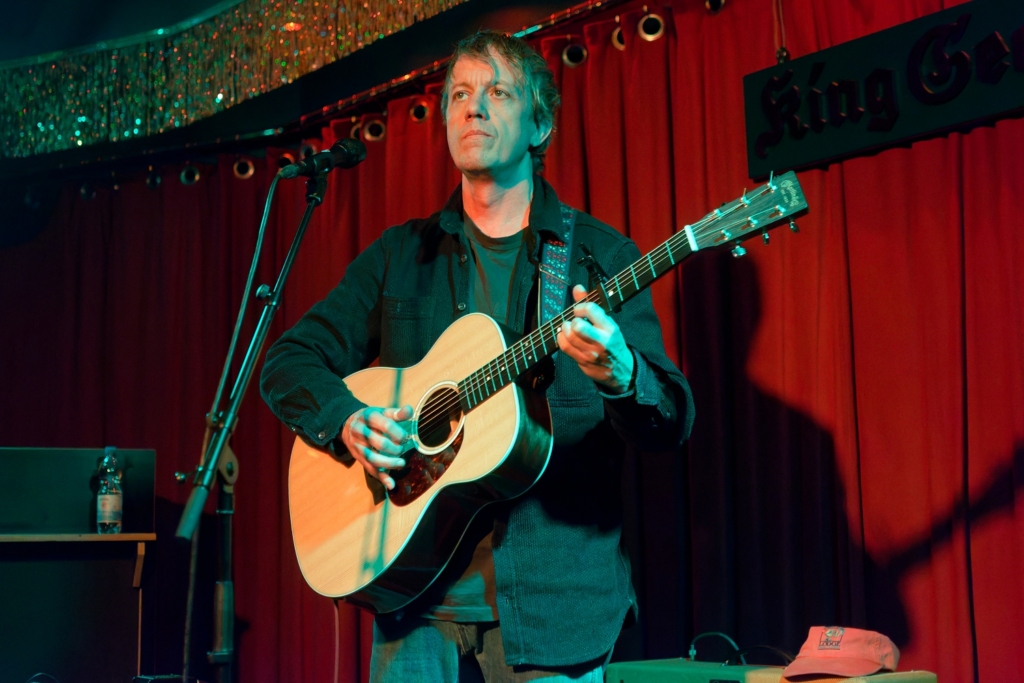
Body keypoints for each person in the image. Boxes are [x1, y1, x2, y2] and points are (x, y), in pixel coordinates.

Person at [260, 29, 694, 683]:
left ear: (539, 124)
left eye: (497, 92)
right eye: (459, 95)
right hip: (413, 605)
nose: (473, 108)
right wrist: (347, 419)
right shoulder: (401, 256)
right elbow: (289, 360)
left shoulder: (596, 258)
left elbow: (671, 421)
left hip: (554, 612)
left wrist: (622, 374)